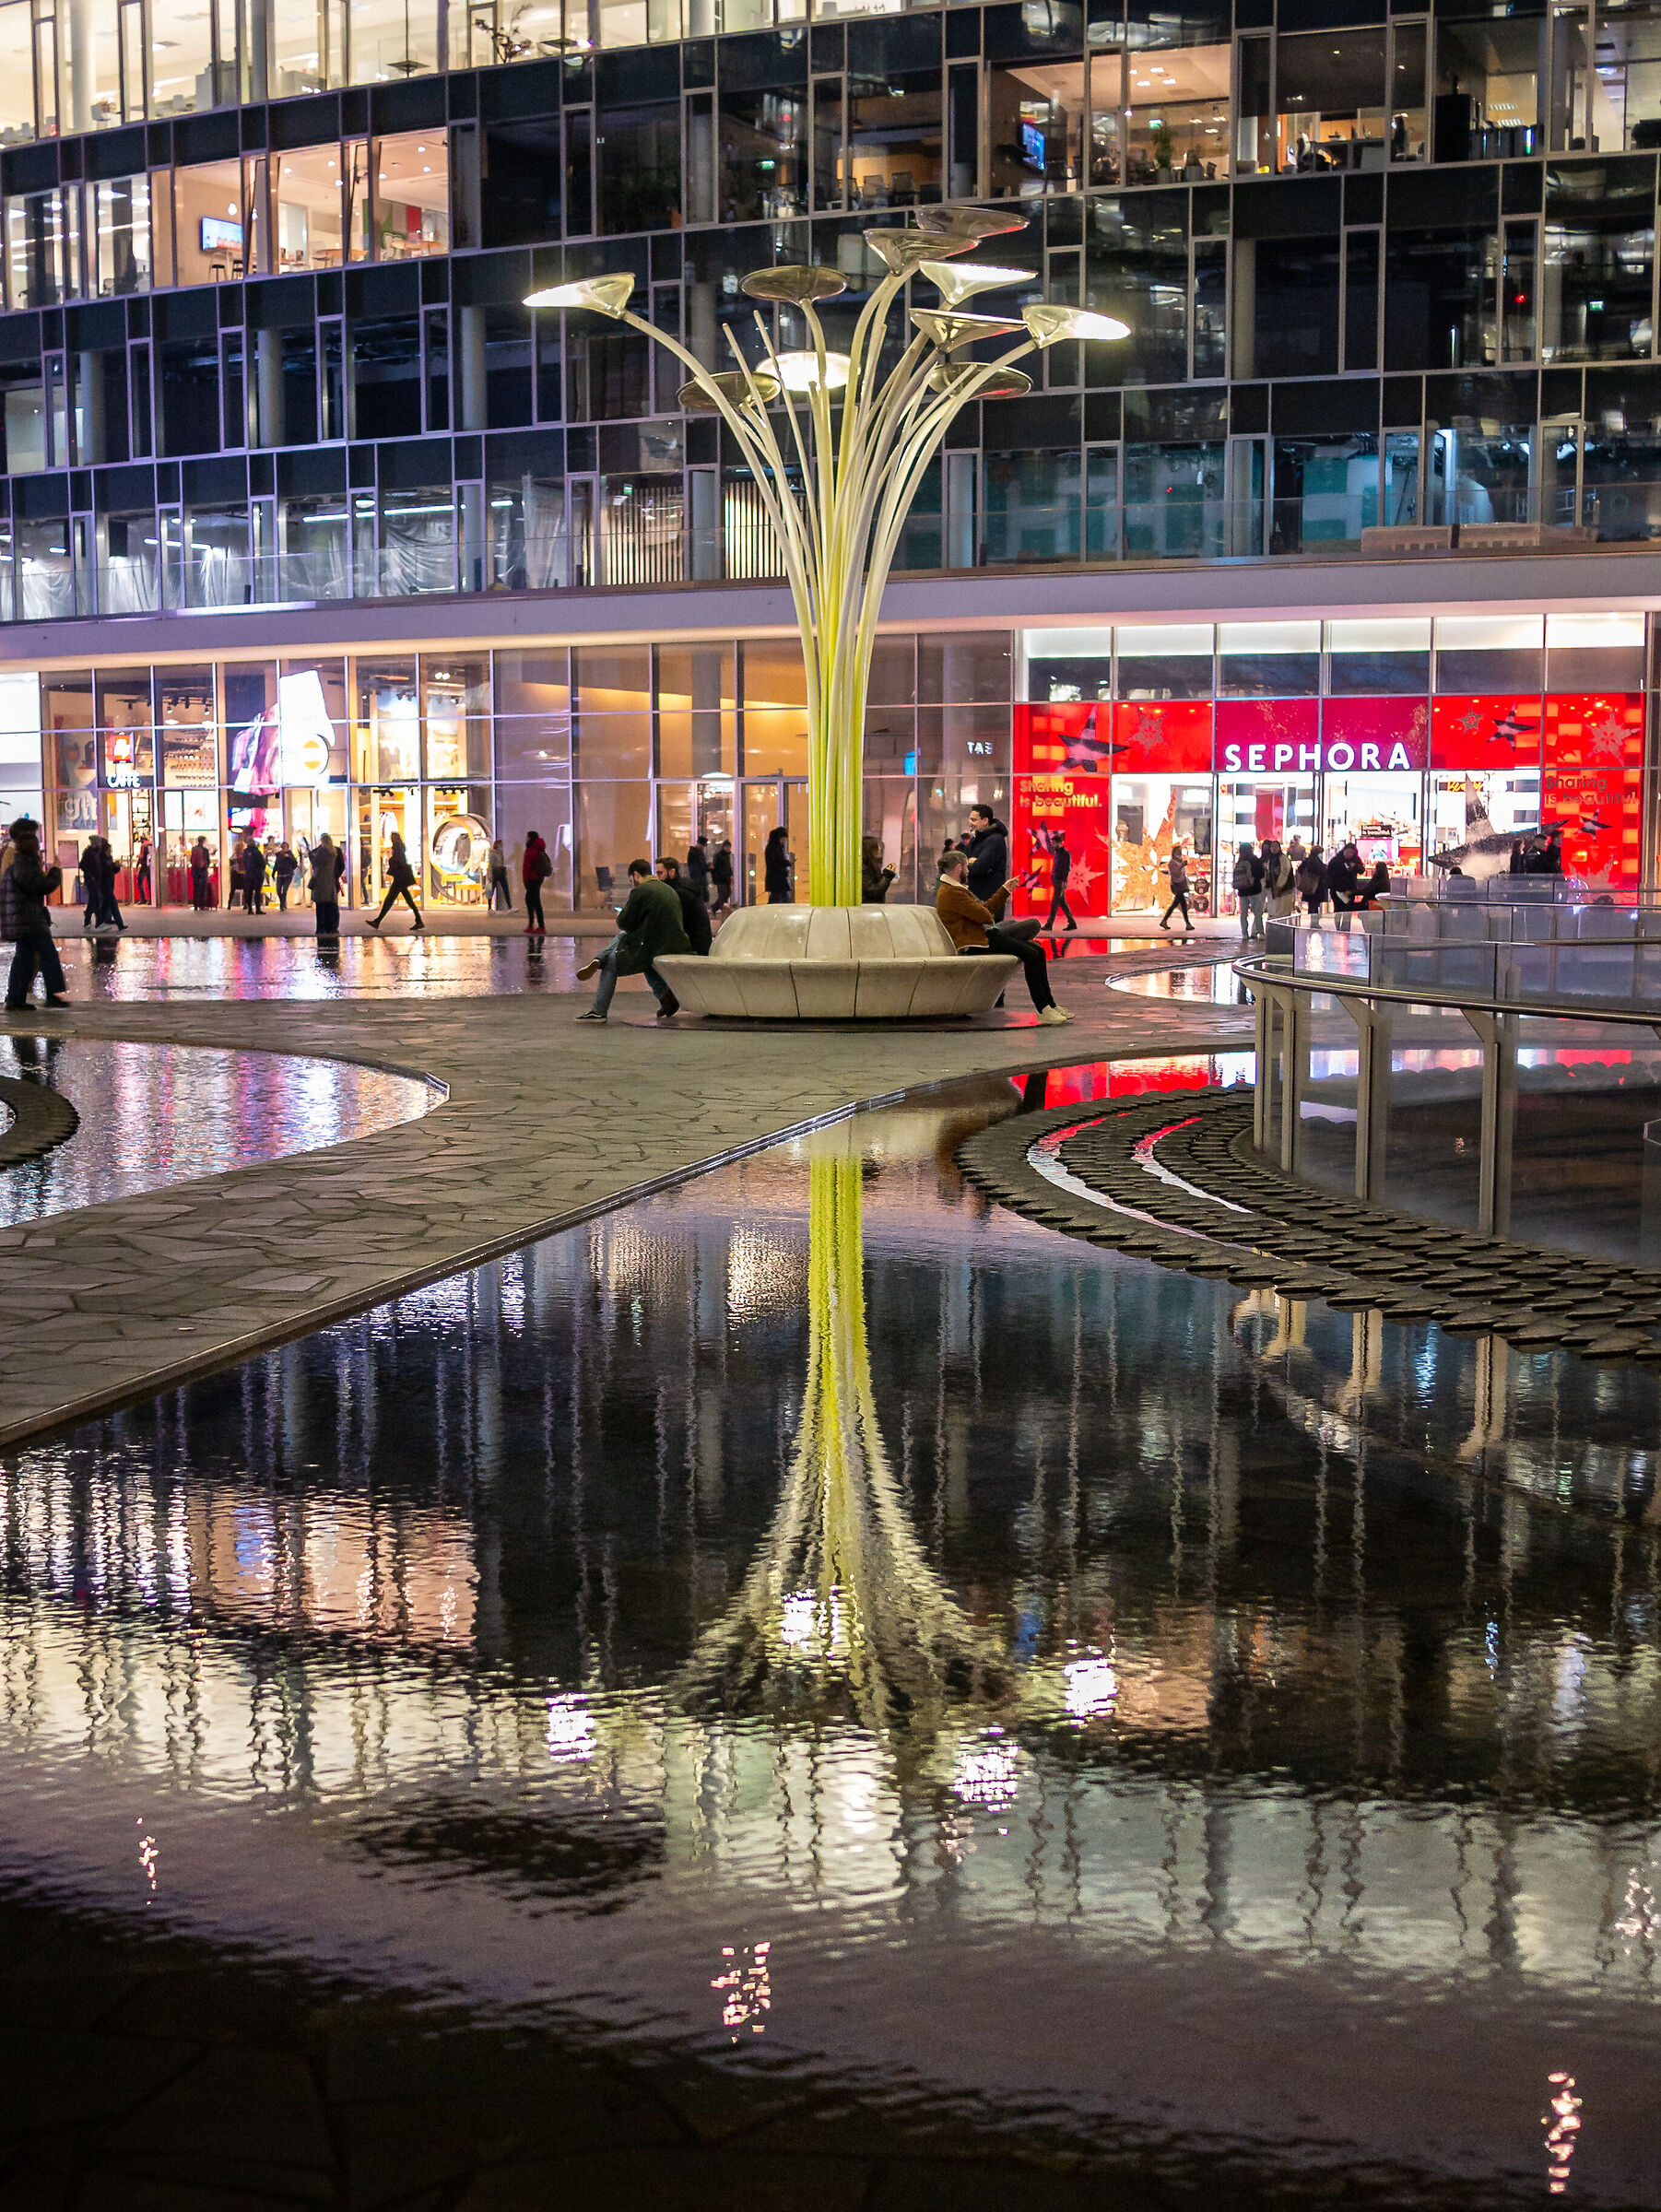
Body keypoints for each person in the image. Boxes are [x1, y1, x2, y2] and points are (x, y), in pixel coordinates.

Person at [936, 849, 1071, 1026]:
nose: (968, 871)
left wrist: (1005, 890)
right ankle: (1043, 1008)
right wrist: (984, 909)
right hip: (978, 943)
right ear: (959, 867)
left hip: (983, 938)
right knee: (1031, 954)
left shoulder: (954, 890)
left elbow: (984, 911)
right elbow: (985, 915)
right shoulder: (952, 893)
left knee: (1038, 950)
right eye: (967, 867)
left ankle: (1050, 1005)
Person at [576, 857, 688, 1022]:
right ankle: (666, 997)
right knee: (633, 948)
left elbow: (625, 923)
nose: (632, 884)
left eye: (631, 880)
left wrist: (620, 916)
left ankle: (598, 1010)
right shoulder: (668, 889)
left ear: (635, 875)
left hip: (653, 946)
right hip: (674, 943)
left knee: (611, 963)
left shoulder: (640, 891)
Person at [3, 819, 68, 1010]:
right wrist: (55, 871)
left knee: (25, 958)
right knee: (48, 956)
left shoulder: (21, 861)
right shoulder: (24, 862)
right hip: (29, 919)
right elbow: (39, 886)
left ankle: (16, 998)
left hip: (24, 919)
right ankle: (53, 994)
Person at [367, 831, 422, 930]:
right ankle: (418, 920)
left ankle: (377, 921)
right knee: (406, 900)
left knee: (389, 900)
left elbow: (398, 861)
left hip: (399, 878)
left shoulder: (397, 847)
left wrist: (391, 861)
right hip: (401, 878)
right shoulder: (400, 847)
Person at [656, 856, 712, 954]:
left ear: (672, 872)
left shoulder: (680, 893)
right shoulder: (684, 886)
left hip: (693, 947)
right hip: (700, 944)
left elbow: (677, 923)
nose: (658, 878)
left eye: (660, 873)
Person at [961, 805, 1008, 903]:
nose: (970, 823)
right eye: (970, 819)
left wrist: (971, 863)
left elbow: (979, 867)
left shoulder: (996, 840)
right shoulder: (975, 839)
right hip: (976, 895)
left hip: (990, 898)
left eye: (974, 820)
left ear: (985, 820)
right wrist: (970, 862)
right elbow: (963, 861)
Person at [310, 832, 343, 935]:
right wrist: (336, 876)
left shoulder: (321, 850)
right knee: (332, 906)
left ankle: (321, 928)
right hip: (331, 882)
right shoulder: (335, 851)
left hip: (321, 882)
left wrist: (311, 855)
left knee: (320, 906)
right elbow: (341, 866)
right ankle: (332, 927)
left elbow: (315, 863)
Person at [1044, 830, 1078, 932]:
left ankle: (1049, 924)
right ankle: (1072, 923)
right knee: (1062, 903)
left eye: (1054, 843)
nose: (1052, 845)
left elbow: (1066, 869)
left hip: (1060, 881)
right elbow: (1056, 867)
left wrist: (1064, 881)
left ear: (1060, 843)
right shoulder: (1058, 853)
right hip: (1056, 880)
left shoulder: (1065, 854)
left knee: (1054, 904)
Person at [1232, 840, 1265, 942]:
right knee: (1257, 913)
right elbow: (1261, 874)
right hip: (1254, 890)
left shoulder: (1240, 862)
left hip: (1242, 891)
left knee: (1243, 914)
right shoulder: (1256, 861)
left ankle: (1244, 934)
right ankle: (1260, 932)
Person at [1326, 839, 1361, 932]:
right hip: (1337, 890)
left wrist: (1355, 866)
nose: (1349, 854)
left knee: (1348, 911)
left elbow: (1362, 870)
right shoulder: (1336, 860)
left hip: (1350, 890)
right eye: (1347, 851)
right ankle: (1338, 928)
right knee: (1338, 909)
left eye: (1351, 852)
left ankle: (1346, 929)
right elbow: (1329, 873)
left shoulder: (1355, 860)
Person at [522, 830, 551, 935]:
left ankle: (537, 926)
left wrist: (525, 880)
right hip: (538, 878)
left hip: (531, 879)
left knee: (533, 902)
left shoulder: (530, 850)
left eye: (527, 837)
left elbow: (526, 866)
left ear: (530, 838)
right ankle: (535, 925)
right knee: (533, 901)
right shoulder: (539, 848)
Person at [1160, 844, 1193, 933]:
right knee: (1180, 904)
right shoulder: (1172, 862)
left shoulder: (1180, 861)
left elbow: (1182, 874)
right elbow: (1174, 873)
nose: (1180, 852)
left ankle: (1165, 920)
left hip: (1181, 884)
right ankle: (1187, 924)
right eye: (1178, 851)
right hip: (1176, 885)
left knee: (1179, 904)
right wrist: (1181, 866)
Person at [1263, 838, 1295, 920]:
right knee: (1276, 910)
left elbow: (1284, 873)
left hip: (1285, 889)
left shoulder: (1283, 858)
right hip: (1275, 890)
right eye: (1272, 847)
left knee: (1284, 911)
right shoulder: (1271, 860)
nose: (1273, 849)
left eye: (1275, 847)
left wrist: (1279, 886)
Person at [1295, 844, 1329, 924]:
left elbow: (1300, 870)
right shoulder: (1317, 862)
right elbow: (1321, 872)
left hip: (1310, 886)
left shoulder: (1308, 861)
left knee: (1312, 905)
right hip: (1317, 887)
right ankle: (1315, 922)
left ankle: (1313, 922)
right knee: (1315, 906)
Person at [862, 834, 896, 904]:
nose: (879, 848)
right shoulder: (863, 870)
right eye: (876, 847)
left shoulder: (872, 865)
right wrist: (887, 876)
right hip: (868, 907)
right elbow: (873, 891)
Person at [763, 826, 793, 902]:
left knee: (778, 899)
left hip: (776, 880)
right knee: (780, 899)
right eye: (782, 839)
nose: (783, 841)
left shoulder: (774, 847)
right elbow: (776, 862)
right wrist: (786, 863)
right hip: (777, 880)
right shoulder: (774, 848)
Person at [488, 837, 512, 912]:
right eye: (500, 844)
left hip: (500, 871)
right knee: (491, 890)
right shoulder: (493, 853)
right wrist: (490, 874)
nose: (502, 846)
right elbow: (491, 864)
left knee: (505, 889)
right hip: (495, 872)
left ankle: (509, 907)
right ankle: (489, 908)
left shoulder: (500, 853)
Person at [273, 841, 298, 912]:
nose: (284, 849)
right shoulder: (278, 855)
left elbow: (295, 864)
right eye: (283, 847)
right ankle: (282, 902)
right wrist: (273, 873)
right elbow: (276, 864)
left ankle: (282, 904)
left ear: (287, 848)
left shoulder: (290, 854)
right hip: (280, 875)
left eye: (285, 847)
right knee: (278, 890)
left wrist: (289, 857)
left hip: (288, 875)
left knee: (284, 890)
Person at [711, 840, 735, 913]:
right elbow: (714, 868)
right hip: (720, 879)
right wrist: (715, 877)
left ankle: (717, 907)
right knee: (723, 894)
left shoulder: (727, 856)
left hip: (726, 878)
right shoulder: (718, 856)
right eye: (727, 847)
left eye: (729, 847)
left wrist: (731, 875)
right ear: (723, 847)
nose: (728, 848)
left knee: (727, 893)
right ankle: (717, 908)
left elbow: (728, 867)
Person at [190, 838, 212, 912]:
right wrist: (206, 867)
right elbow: (208, 861)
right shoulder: (205, 850)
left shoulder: (194, 849)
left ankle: (195, 905)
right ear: (203, 841)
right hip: (203, 871)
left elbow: (191, 860)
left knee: (196, 888)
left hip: (195, 871)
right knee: (203, 888)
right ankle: (202, 905)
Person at [687, 841, 712, 907]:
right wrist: (708, 867)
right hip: (698, 879)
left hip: (700, 879)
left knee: (704, 896)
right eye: (702, 846)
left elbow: (702, 867)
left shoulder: (699, 853)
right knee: (701, 897)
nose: (703, 848)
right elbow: (700, 867)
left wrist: (708, 867)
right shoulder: (695, 853)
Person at [133, 835, 152, 905]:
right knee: (150, 883)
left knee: (139, 882)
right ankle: (151, 899)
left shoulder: (143, 846)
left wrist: (137, 865)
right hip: (150, 866)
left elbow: (141, 857)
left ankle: (143, 899)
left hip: (144, 866)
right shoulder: (150, 845)